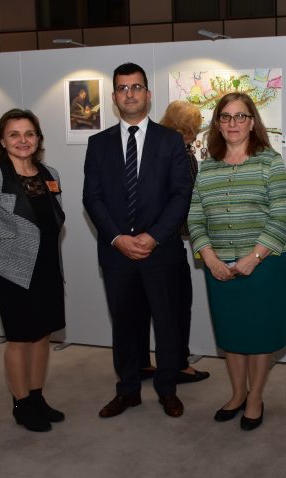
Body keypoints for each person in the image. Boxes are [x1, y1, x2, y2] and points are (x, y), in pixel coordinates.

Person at [83, 63, 193, 419]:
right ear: (114, 97)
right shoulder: (98, 144)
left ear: (148, 94)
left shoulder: (170, 140)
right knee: (125, 326)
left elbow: (181, 194)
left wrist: (153, 236)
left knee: (167, 325)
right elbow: (92, 198)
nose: (129, 94)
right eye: (122, 88)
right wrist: (117, 238)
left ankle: (167, 389)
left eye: (136, 87)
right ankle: (128, 390)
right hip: (117, 255)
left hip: (161, 253)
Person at [188, 92, 286, 431]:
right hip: (219, 267)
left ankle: (255, 397)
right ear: (217, 124)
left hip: (263, 266)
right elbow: (195, 216)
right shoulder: (208, 166)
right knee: (231, 335)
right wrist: (209, 257)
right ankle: (236, 394)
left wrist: (253, 257)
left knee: (259, 337)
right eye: (226, 117)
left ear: (252, 122)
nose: (233, 123)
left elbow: (281, 216)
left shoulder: (270, 162)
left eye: (240, 116)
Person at [0, 109, 66, 432]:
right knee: (20, 338)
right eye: (14, 134)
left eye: (29, 134)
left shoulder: (50, 174)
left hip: (47, 267)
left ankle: (37, 397)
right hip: (13, 273)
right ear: (1, 141)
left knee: (43, 335)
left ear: (38, 139)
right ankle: (22, 405)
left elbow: (52, 219)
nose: (23, 140)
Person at [137, 100, 209, 384]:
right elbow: (185, 200)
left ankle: (141, 363)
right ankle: (178, 364)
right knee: (177, 307)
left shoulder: (147, 146)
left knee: (141, 307)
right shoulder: (182, 153)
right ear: (188, 128)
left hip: (139, 239)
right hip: (167, 242)